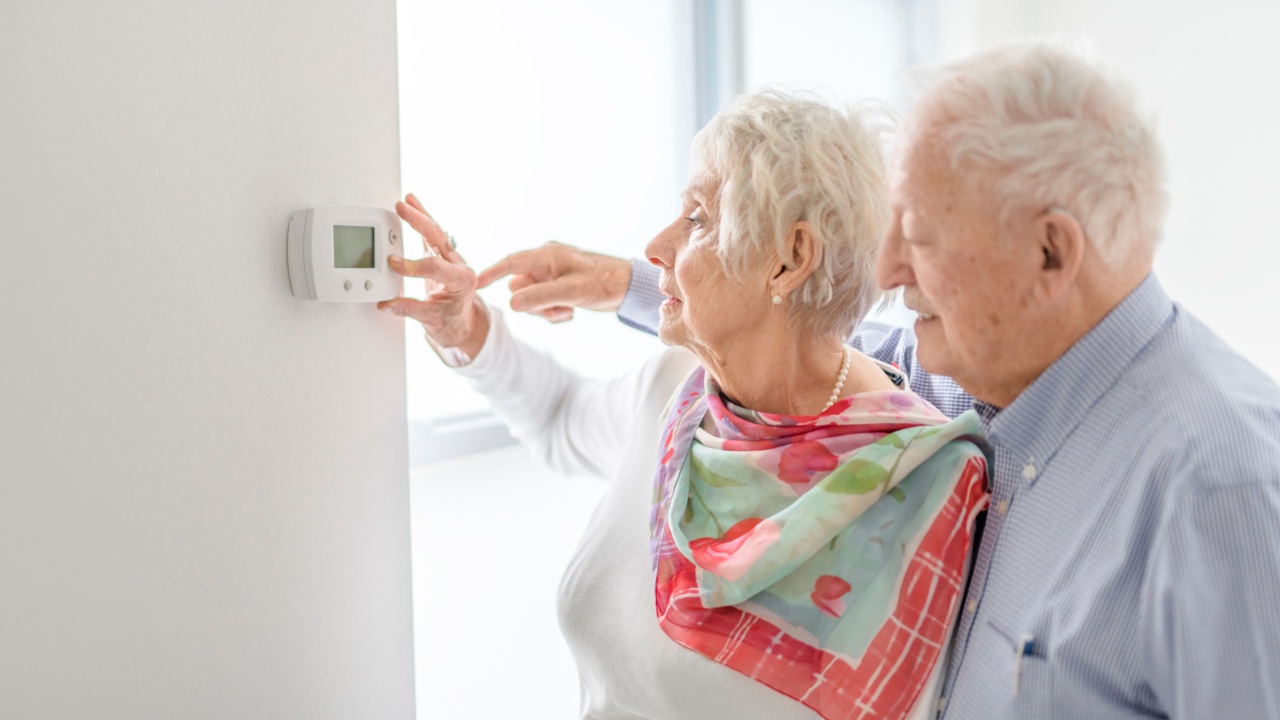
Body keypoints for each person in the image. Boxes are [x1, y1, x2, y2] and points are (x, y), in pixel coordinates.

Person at [477, 42, 1280, 719]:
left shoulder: (1223, 487)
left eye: (921, 238)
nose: (890, 270)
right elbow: (813, 334)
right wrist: (635, 281)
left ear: (1049, 256)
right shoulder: (973, 386)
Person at [380, 92, 989, 720]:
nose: (653, 246)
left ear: (789, 260)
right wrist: (464, 330)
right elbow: (561, 417)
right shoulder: (676, 388)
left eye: (696, 218)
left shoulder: (927, 483)